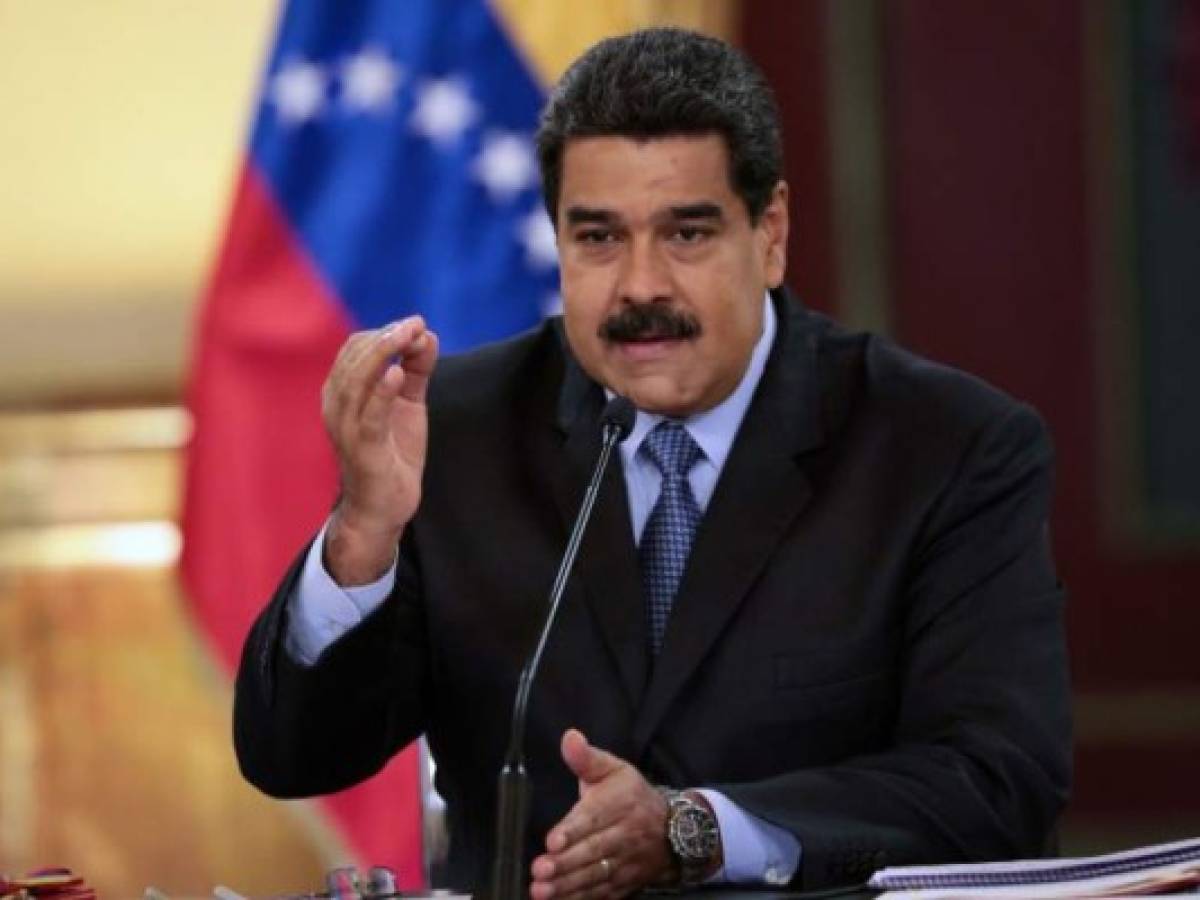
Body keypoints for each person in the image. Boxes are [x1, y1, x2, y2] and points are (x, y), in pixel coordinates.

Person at [234, 27, 1071, 897]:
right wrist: (364, 531)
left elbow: (996, 783)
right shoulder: (453, 430)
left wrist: (695, 828)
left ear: (770, 232)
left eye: (686, 234)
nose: (640, 287)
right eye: (598, 238)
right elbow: (294, 756)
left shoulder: (944, 445)